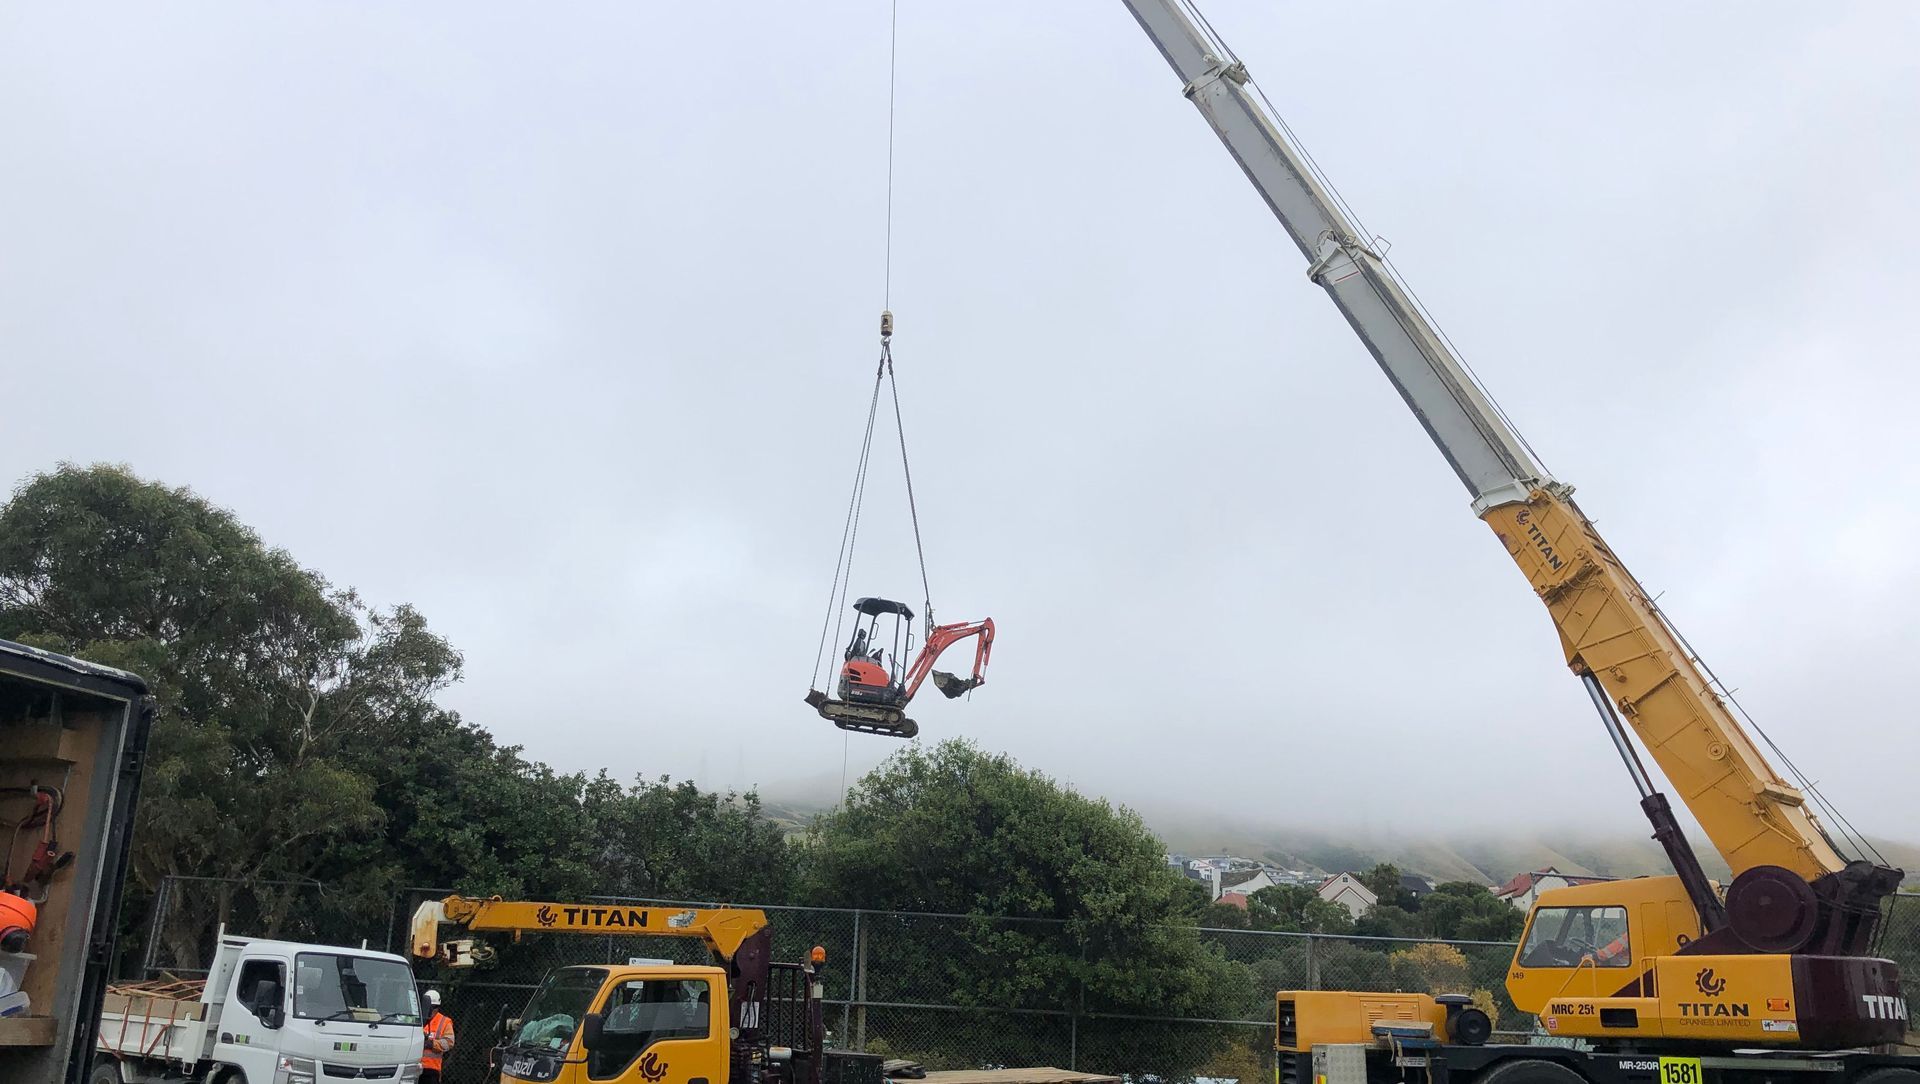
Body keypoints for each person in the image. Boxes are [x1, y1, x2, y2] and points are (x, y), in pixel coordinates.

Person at [421, 989, 455, 1084]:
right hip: (413, 1066)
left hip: (431, 1070)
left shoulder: (445, 1022)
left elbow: (449, 1043)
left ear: (436, 1007)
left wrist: (431, 1044)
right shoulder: (417, 1019)